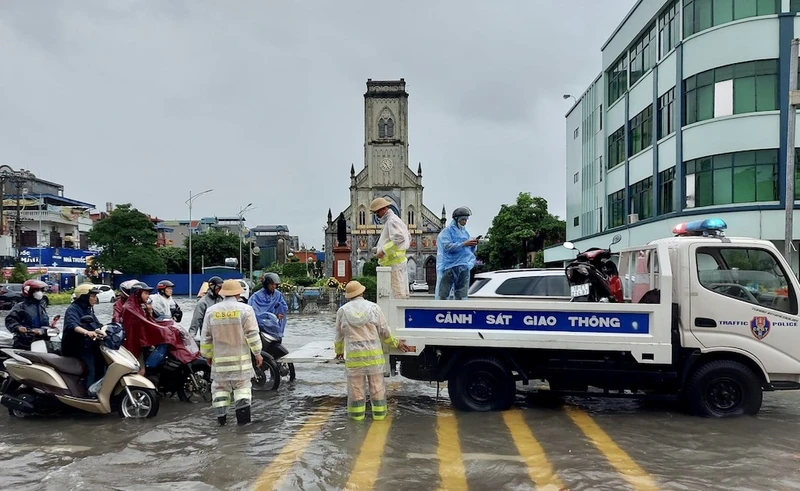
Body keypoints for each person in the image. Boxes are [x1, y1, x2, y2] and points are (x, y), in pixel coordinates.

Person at [334, 280, 410, 421]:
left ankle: (357, 422)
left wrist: (338, 351)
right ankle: (379, 418)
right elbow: (384, 331)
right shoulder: (374, 308)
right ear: (362, 292)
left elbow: (339, 335)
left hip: (355, 359)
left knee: (356, 391)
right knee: (377, 388)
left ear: (348, 295)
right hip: (374, 358)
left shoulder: (342, 311)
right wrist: (396, 343)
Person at [200, 279, 263, 426]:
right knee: (242, 390)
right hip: (240, 364)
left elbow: (206, 337)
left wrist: (207, 356)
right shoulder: (245, 310)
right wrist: (257, 353)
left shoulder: (211, 311)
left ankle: (221, 423)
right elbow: (252, 335)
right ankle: (243, 425)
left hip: (220, 364)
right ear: (238, 293)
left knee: (220, 391)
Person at [121, 281, 196, 376]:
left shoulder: (139, 306)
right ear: (138, 294)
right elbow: (147, 324)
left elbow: (152, 321)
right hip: (135, 344)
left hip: (142, 341)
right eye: (146, 293)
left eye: (148, 293)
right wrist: (164, 331)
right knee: (141, 371)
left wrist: (150, 312)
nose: (148, 296)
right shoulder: (130, 308)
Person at [62, 283, 104, 389]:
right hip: (76, 347)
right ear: (84, 297)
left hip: (89, 345)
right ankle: (89, 393)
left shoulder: (88, 309)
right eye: (93, 296)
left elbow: (96, 324)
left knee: (101, 364)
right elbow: (73, 325)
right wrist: (87, 332)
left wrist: (104, 330)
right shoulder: (73, 309)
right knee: (90, 369)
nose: (95, 299)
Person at [370, 197, 411, 299]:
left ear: (383, 209)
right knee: (396, 294)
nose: (376, 215)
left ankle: (399, 315)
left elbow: (400, 239)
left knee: (398, 297)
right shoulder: (393, 220)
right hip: (395, 264)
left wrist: (383, 251)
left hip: (394, 264)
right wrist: (379, 248)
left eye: (377, 212)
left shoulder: (392, 221)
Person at [436, 206, 478, 300]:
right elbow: (447, 247)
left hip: (463, 266)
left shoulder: (465, 232)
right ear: (456, 219)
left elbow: (469, 251)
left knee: (461, 294)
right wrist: (464, 244)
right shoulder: (447, 231)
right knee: (444, 293)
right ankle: (441, 311)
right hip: (450, 266)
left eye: (466, 220)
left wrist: (473, 244)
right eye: (463, 219)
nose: (465, 222)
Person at [5, 280, 50, 350]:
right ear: (29, 291)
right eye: (37, 290)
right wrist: (18, 327)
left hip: (40, 342)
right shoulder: (20, 307)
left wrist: (50, 327)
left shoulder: (41, 307)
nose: (40, 292)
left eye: (40, 290)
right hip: (24, 343)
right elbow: (10, 320)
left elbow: (44, 323)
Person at [248, 273, 288, 342]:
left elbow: (283, 307)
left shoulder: (278, 295)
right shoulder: (256, 296)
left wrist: (279, 313)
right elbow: (252, 312)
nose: (274, 286)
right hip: (261, 327)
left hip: (274, 327)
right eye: (271, 284)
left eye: (275, 284)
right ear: (266, 284)